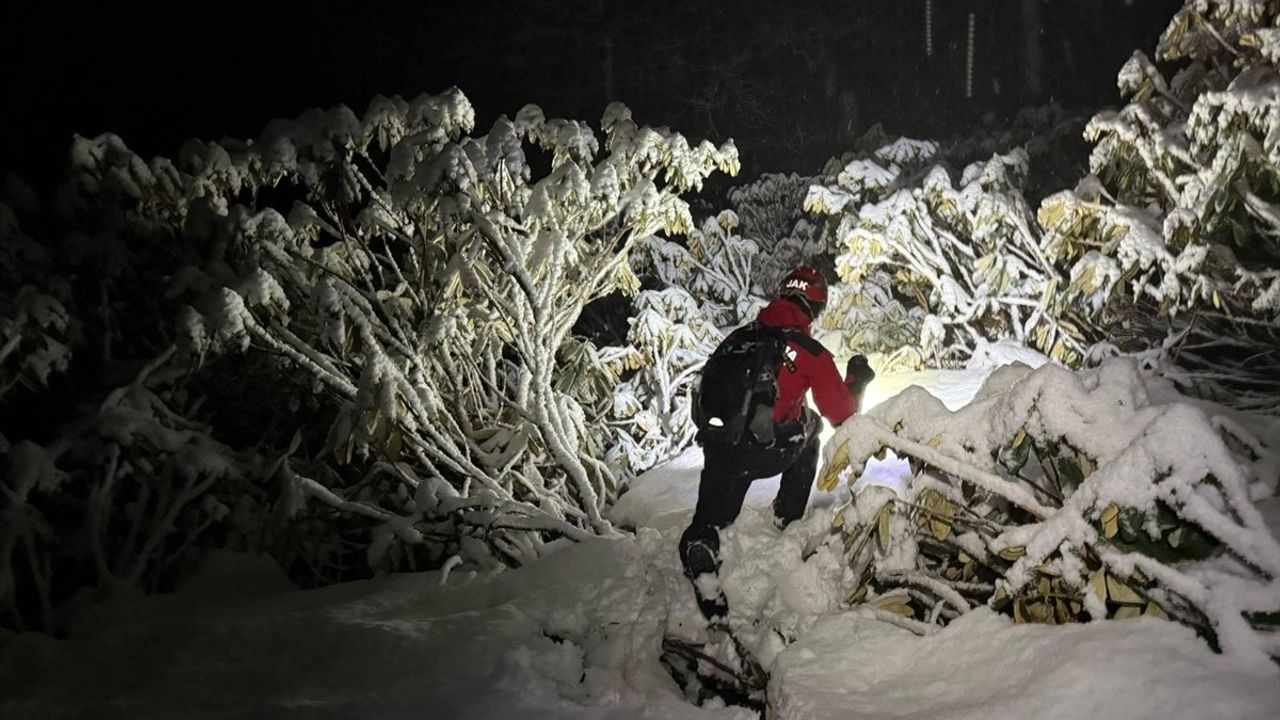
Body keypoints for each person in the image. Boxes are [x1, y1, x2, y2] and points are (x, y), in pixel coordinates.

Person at [679, 265, 875, 622]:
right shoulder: (809, 351)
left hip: (721, 447)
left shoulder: (740, 337)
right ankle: (788, 516)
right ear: (815, 308)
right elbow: (842, 415)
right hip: (764, 453)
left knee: (713, 517)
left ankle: (702, 541)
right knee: (810, 427)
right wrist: (856, 381)